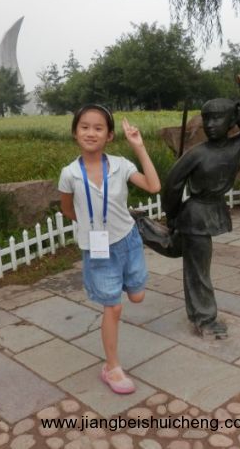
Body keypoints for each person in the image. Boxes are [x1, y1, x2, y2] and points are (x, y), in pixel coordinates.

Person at [138, 77, 240, 340]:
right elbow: (172, 185)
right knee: (197, 268)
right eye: (206, 119)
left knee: (176, 248)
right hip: (195, 213)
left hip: (212, 210)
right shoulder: (196, 154)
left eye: (217, 118)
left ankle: (138, 224)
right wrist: (173, 216)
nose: (210, 124)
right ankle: (204, 319)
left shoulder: (237, 144)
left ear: (232, 120)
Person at [58, 104, 160, 394]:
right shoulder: (69, 174)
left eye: (98, 128)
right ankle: (112, 367)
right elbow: (68, 210)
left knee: (137, 296)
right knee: (113, 306)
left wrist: (138, 147)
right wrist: (92, 227)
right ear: (75, 132)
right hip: (97, 251)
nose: (91, 133)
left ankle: (120, 285)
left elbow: (153, 186)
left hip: (128, 241)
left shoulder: (120, 165)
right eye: (84, 127)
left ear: (109, 135)